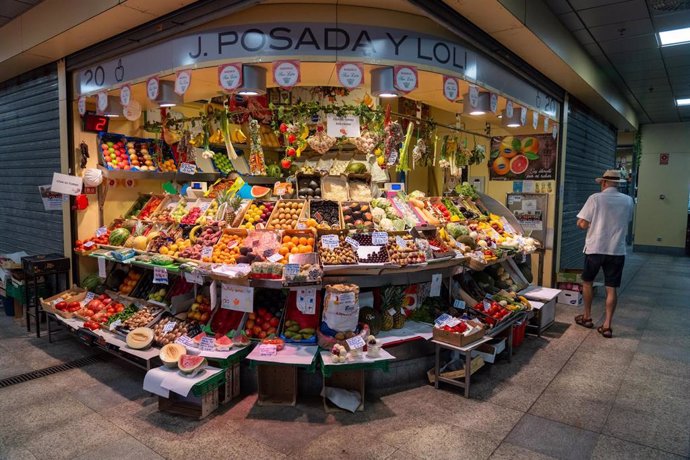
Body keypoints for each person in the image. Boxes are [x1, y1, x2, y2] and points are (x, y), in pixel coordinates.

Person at [574, 169, 634, 338]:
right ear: (618, 184)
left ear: (603, 183)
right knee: (611, 288)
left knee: (587, 282)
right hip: (616, 250)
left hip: (595, 249)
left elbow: (583, 224)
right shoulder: (628, 201)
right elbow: (625, 220)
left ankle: (586, 317)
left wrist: (580, 222)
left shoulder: (595, 198)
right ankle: (607, 325)